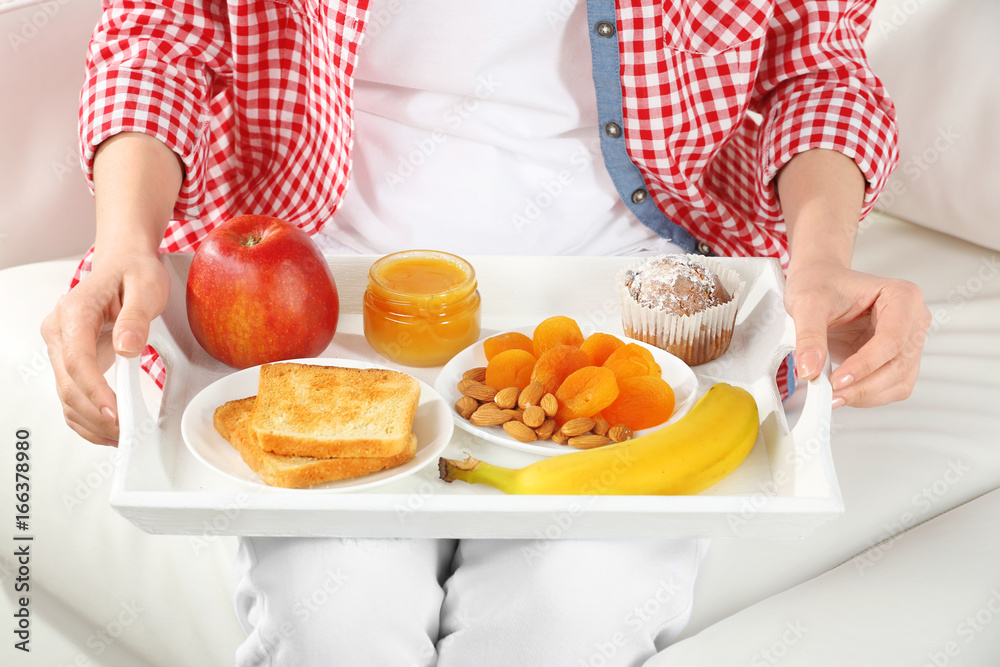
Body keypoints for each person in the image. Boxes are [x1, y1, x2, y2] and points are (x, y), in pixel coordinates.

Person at [42, 1, 931, 664]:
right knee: (334, 619)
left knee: (567, 613)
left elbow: (816, 68)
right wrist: (125, 238)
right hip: (323, 296)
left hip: (621, 302)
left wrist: (818, 262)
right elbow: (160, 34)